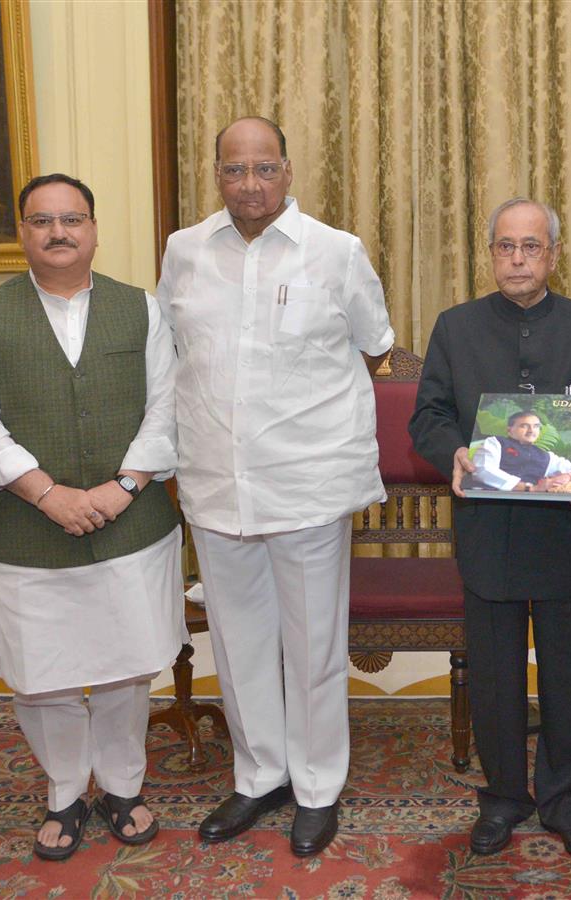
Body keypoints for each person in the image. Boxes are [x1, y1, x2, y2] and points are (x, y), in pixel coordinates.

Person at [156, 116, 394, 857]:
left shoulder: (336, 252)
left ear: (287, 172)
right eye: (234, 169)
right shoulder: (183, 252)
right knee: (239, 643)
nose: (249, 184)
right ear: (217, 174)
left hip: (307, 485)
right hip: (216, 484)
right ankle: (259, 775)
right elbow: (171, 355)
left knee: (314, 645)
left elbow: (376, 350)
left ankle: (318, 785)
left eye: (264, 168)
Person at [0, 173, 184, 861]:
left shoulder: (140, 309)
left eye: (72, 219)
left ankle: (121, 787)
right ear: (22, 232)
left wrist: (125, 485)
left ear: (94, 230)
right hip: (23, 530)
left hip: (130, 521)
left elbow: (166, 407)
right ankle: (63, 793)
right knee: (44, 672)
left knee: (123, 666)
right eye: (42, 220)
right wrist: (46, 492)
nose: (58, 231)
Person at [409, 198, 571, 864]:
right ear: (490, 255)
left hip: (565, 532)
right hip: (488, 531)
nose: (516, 258)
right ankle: (506, 797)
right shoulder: (455, 328)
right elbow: (427, 418)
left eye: (530, 246)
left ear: (553, 254)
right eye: (505, 246)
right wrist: (453, 450)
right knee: (495, 675)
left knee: (570, 675)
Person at [466, 410, 571, 493]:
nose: (531, 430)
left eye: (536, 426)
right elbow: (483, 471)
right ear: (509, 430)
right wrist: (529, 488)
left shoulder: (546, 456)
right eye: (524, 425)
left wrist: (568, 476)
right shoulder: (495, 443)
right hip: (490, 503)